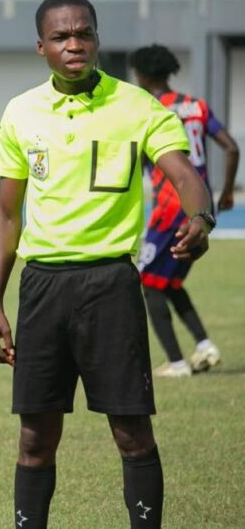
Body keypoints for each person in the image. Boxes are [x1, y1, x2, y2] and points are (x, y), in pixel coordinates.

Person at [0, 0, 213, 528]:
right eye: (61, 36)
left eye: (83, 33)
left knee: (132, 432)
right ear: (40, 46)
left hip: (110, 283)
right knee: (35, 437)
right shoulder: (21, 111)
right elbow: (5, 214)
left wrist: (200, 219)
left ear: (98, 40)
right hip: (41, 288)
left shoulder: (138, 107)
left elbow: (184, 175)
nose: (74, 44)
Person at [129, 44, 239, 378]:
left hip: (169, 208)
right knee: (169, 283)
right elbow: (231, 147)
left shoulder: (149, 108)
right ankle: (204, 346)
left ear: (144, 74)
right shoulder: (197, 106)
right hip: (200, 207)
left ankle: (176, 363)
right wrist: (227, 191)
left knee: (148, 282)